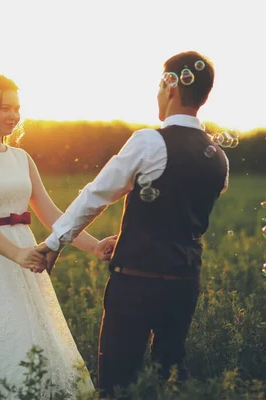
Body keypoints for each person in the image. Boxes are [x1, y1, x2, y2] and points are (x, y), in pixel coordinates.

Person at [35, 50, 230, 398]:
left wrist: (53, 244)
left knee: (117, 381)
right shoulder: (218, 157)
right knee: (166, 378)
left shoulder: (149, 141)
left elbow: (96, 196)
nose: (158, 92)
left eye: (160, 84)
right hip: (185, 283)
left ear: (171, 86)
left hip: (137, 282)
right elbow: (184, 212)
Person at [0, 73, 116, 398]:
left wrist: (94, 246)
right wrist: (19, 254)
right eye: (5, 107)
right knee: (2, 340)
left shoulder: (21, 158)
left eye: (17, 108)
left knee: (37, 335)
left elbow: (51, 214)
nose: (13, 115)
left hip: (26, 255)